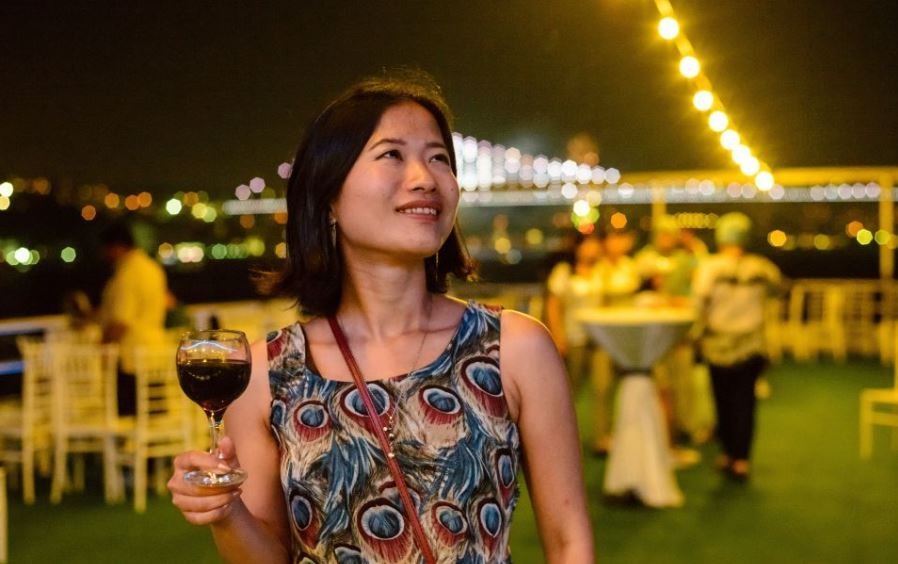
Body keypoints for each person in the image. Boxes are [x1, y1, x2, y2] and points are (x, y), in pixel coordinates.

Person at [169, 73, 594, 562]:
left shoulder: (513, 348)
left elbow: (569, 542)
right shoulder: (269, 375)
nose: (424, 178)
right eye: (392, 154)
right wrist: (225, 513)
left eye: (438, 158)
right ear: (328, 196)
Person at [692, 212, 781, 481]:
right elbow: (777, 290)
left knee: (723, 400)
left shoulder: (710, 268)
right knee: (746, 402)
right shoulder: (762, 267)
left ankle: (729, 453)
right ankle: (741, 458)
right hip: (752, 344)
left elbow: (698, 305)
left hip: (718, 344)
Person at [97, 221, 168, 415]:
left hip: (131, 356)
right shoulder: (152, 268)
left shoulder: (127, 273)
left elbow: (121, 320)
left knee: (130, 414)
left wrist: (102, 344)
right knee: (154, 414)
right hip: (155, 351)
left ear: (117, 246)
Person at [545, 234, 603, 388]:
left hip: (599, 337)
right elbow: (553, 304)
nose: (592, 250)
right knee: (572, 383)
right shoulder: (565, 271)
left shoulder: (601, 270)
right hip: (573, 336)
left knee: (601, 384)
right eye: (588, 245)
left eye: (595, 245)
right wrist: (558, 335)